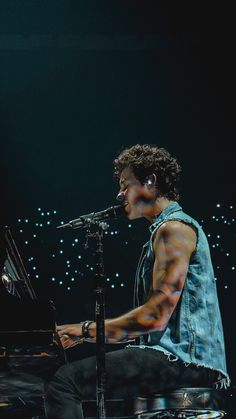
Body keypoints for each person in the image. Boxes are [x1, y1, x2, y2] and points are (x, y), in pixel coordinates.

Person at [46, 144, 230, 419]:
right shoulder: (164, 232)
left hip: (181, 361)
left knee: (63, 382)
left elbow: (153, 318)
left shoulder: (173, 230)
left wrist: (83, 330)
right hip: (174, 359)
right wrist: (84, 335)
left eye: (125, 185)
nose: (120, 194)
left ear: (150, 181)